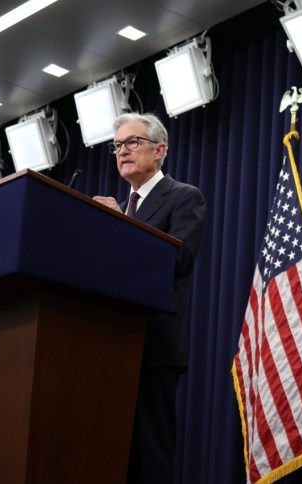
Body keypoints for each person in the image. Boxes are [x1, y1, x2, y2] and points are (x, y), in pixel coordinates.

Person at [93, 112, 206, 484]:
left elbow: (179, 260)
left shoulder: (184, 197)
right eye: (117, 146)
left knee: (151, 455)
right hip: (110, 343)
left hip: (154, 345)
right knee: (113, 454)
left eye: (132, 142)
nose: (122, 151)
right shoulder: (123, 209)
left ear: (160, 151)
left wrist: (121, 227)